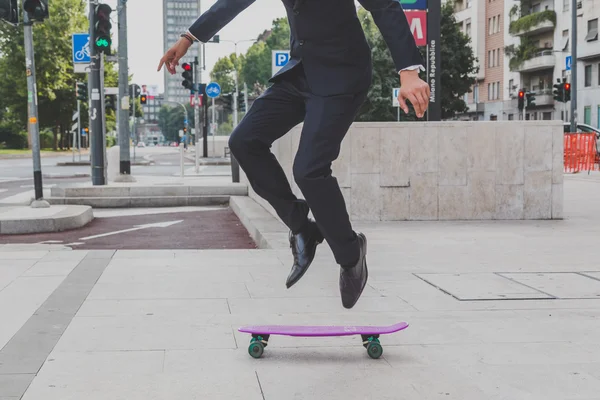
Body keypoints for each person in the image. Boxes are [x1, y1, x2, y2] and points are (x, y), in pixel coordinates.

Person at [158, 0, 430, 309]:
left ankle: (351, 254)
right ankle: (303, 229)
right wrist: (189, 37)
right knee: (244, 141)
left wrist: (408, 71)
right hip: (301, 72)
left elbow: (384, 6)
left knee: (309, 170)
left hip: (343, 77)